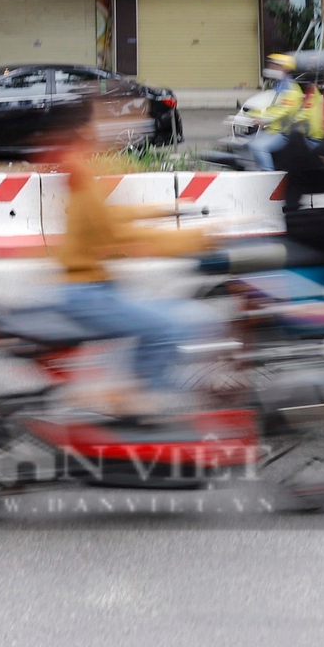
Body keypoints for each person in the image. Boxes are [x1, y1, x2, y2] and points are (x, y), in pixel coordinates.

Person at [45, 96, 216, 419]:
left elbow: (113, 217)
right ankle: (142, 403)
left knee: (170, 316)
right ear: (82, 131)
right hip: (88, 294)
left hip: (93, 288)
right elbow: (114, 235)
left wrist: (168, 209)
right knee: (166, 327)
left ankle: (135, 395)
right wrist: (193, 239)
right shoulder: (80, 171)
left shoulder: (81, 169)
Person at [248, 54, 302, 171]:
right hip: (273, 130)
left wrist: (265, 119)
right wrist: (251, 115)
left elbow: (285, 110)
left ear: (285, 69)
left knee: (258, 147)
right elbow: (269, 106)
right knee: (247, 143)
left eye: (275, 66)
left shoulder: (289, 87)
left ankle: (269, 175)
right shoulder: (278, 85)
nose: (271, 68)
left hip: (284, 132)